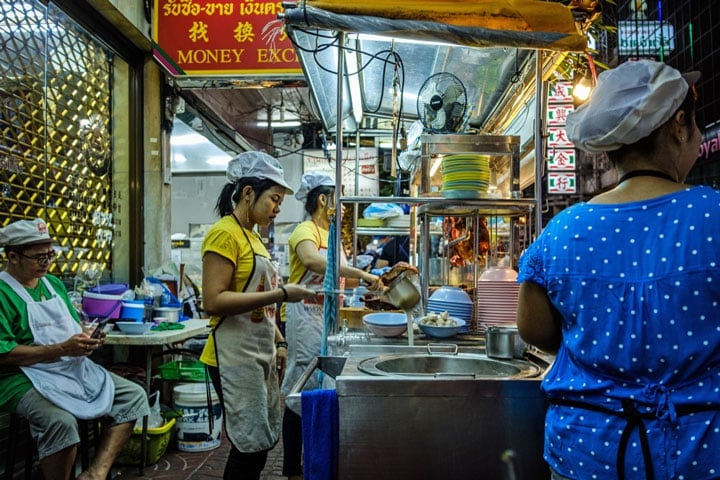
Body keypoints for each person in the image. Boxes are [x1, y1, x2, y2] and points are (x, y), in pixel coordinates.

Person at [516, 60, 719, 480]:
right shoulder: (713, 214)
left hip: (588, 453)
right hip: (700, 454)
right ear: (678, 126)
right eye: (694, 128)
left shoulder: (564, 230)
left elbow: (533, 329)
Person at [0, 218, 149, 480]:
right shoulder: (3, 293)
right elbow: (5, 354)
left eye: (50, 255)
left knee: (133, 396)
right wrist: (62, 348)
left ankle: (96, 473)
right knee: (61, 422)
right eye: (39, 258)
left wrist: (86, 338)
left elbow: (71, 328)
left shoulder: (53, 284)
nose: (46, 262)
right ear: (13, 256)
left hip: (67, 366)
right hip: (18, 376)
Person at [199, 152, 316, 480]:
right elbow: (214, 299)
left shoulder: (254, 237)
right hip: (230, 355)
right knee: (248, 448)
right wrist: (282, 294)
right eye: (274, 199)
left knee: (260, 443)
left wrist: (279, 341)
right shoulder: (225, 233)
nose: (277, 208)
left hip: (257, 351)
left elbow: (258, 306)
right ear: (248, 192)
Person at [280, 171, 382, 479]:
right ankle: (290, 466)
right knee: (300, 386)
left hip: (326, 318)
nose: (342, 206)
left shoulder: (333, 235)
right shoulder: (304, 231)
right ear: (323, 199)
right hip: (304, 317)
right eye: (336, 198)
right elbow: (312, 262)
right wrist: (362, 275)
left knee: (318, 385)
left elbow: (339, 276)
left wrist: (372, 284)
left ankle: (315, 457)